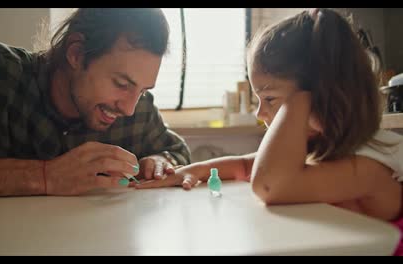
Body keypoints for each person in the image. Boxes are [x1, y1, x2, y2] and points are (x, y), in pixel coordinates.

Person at [135, 8, 403, 255]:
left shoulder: (369, 165)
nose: (260, 113)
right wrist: (188, 172)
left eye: (271, 99)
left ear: (321, 97)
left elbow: (268, 186)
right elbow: (243, 165)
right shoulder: (320, 147)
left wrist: (300, 101)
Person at [0, 8, 191, 201]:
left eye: (143, 90)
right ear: (76, 53)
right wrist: (44, 175)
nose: (129, 108)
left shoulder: (138, 109)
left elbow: (177, 151)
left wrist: (159, 161)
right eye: (121, 84)